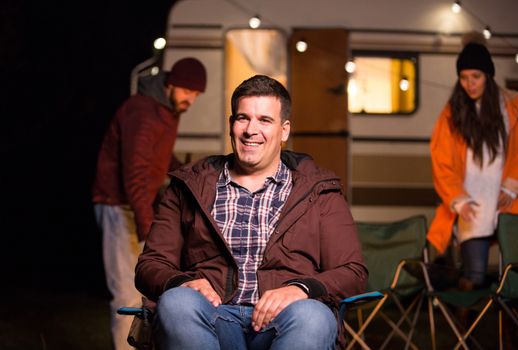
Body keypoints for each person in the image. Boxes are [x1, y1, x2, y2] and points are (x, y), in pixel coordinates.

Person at [135, 75, 368, 350]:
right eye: (242, 118)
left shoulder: (319, 191)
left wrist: (302, 288)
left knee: (313, 316)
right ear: (231, 125)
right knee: (176, 302)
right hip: (213, 318)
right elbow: (150, 265)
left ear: (284, 131)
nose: (250, 130)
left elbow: (353, 271)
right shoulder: (189, 186)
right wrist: (182, 282)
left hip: (285, 322)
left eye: (265, 120)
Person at [92, 57, 207, 350]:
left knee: (146, 290)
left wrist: (185, 173)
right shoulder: (143, 112)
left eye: (195, 95)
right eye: (187, 92)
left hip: (137, 204)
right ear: (170, 85)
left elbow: (159, 157)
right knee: (126, 291)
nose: (190, 100)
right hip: (118, 204)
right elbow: (135, 173)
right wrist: (147, 227)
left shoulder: (168, 110)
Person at [427, 42, 518, 291]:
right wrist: (458, 199)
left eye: (476, 76)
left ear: (488, 76)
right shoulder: (452, 113)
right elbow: (442, 159)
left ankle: (511, 328)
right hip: (472, 204)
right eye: (463, 77)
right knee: (476, 274)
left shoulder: (515, 106)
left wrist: (513, 186)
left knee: (515, 275)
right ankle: (466, 325)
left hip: (509, 201)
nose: (470, 83)